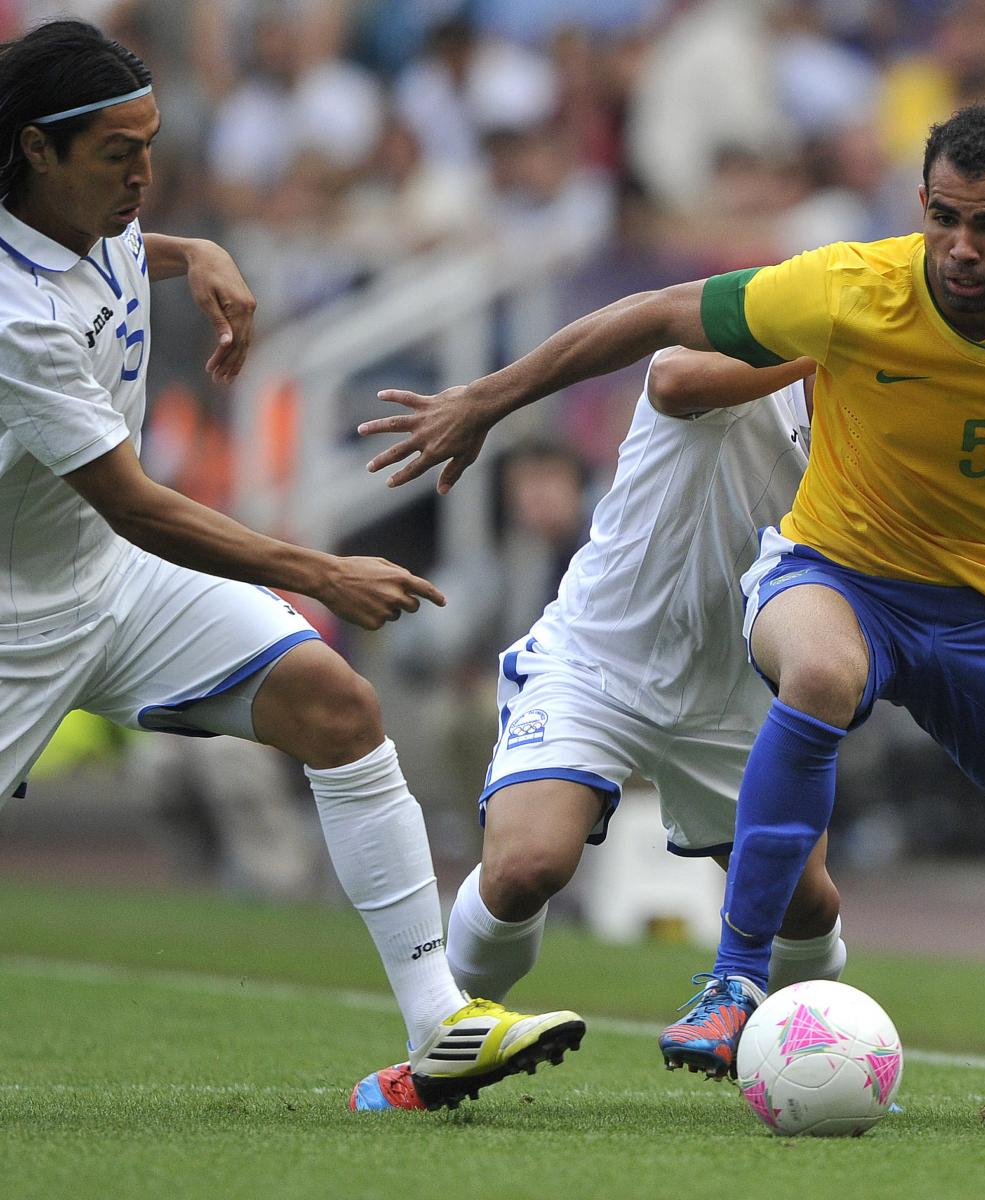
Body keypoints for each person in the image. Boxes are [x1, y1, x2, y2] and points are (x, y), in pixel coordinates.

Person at [360, 102, 985, 1124]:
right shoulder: (837, 310)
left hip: (893, 640)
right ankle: (484, 1029)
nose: (961, 250)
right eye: (943, 220)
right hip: (675, 636)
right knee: (543, 855)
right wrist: (486, 399)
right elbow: (668, 358)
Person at [0, 19, 583, 1115]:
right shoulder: (13, 314)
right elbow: (134, 504)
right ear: (34, 151)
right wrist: (320, 572)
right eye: (116, 154)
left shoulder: (94, 222)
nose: (143, 175)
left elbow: (130, 251)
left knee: (335, 703)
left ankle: (442, 1025)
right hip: (18, 612)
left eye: (153, 145)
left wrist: (196, 255)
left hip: (110, 587)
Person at [353, 348, 857, 1108]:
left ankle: (804, 1058)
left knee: (808, 905)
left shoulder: (885, 434)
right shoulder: (761, 352)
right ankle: (434, 1053)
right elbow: (671, 376)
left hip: (738, 694)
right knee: (525, 868)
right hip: (602, 660)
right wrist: (815, 350)